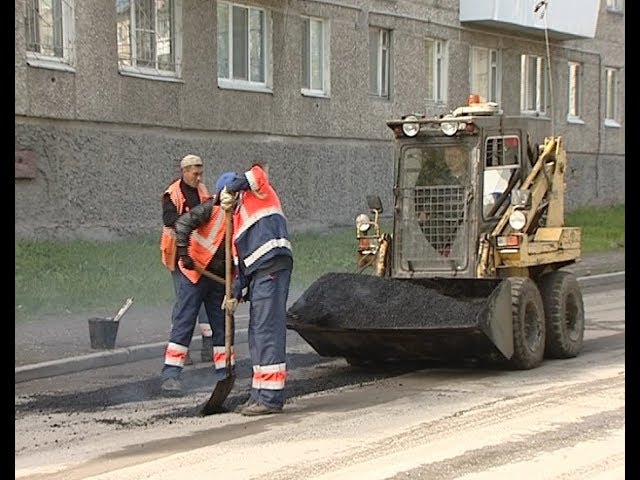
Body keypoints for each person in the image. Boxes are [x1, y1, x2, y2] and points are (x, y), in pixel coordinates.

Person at [218, 164, 293, 416]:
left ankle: (271, 398)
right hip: (261, 273)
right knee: (257, 331)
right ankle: (259, 393)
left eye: (225, 200)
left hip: (273, 265)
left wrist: (230, 187)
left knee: (268, 329)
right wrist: (234, 295)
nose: (224, 207)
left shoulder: (258, 192)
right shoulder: (236, 224)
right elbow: (242, 269)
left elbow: (257, 173)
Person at [160, 173, 231, 396]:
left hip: (217, 278)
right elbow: (181, 224)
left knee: (220, 324)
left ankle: (225, 373)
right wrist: (183, 253)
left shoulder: (241, 217)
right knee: (185, 320)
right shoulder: (210, 207)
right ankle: (171, 375)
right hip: (195, 272)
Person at [160, 153, 213, 368]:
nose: (199, 178)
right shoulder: (172, 193)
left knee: (202, 299)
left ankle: (208, 345)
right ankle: (182, 348)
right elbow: (169, 219)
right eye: (195, 173)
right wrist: (191, 220)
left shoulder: (202, 190)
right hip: (177, 254)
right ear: (185, 172)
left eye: (201, 173)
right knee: (185, 300)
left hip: (199, 253)